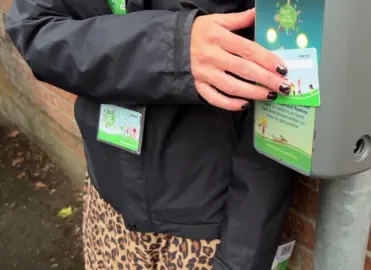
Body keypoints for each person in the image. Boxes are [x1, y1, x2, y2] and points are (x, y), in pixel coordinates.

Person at [5, 0, 296, 269]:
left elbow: (286, 108)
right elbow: (33, 27)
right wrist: (169, 49)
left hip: (208, 232)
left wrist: (240, 259)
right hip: (108, 205)